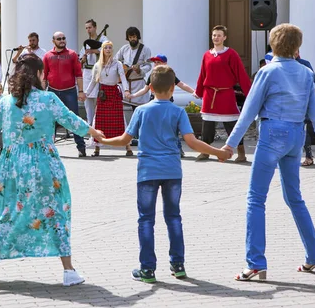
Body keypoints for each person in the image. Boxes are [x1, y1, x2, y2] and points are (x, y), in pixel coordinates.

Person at [0, 54, 105, 287]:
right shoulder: (48, 99)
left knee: (3, 212)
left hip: (11, 167)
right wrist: (93, 132)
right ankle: (68, 271)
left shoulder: (6, 102)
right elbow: (70, 119)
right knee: (55, 212)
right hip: (44, 164)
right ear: (39, 74)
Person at [221, 24, 315, 281]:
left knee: (256, 199)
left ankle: (255, 263)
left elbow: (249, 111)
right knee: (295, 198)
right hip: (296, 135)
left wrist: (230, 144)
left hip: (272, 133)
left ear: (272, 44)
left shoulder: (267, 72)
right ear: (297, 46)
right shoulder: (306, 73)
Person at [98, 65, 230, 283]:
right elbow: (192, 142)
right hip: (172, 171)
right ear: (172, 89)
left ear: (150, 87)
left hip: (147, 172)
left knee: (146, 220)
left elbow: (124, 140)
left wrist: (103, 140)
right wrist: (218, 153)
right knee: (173, 218)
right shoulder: (177, 111)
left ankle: (147, 269)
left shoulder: (141, 111)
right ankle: (178, 265)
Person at [195, 25, 251, 162]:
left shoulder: (231, 54)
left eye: (219, 35)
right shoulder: (207, 55)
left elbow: (241, 74)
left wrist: (249, 92)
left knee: (231, 123)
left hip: (225, 94)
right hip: (210, 94)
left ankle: (241, 152)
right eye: (214, 35)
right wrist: (199, 91)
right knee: (207, 125)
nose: (216, 38)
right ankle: (205, 151)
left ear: (224, 37)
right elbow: (203, 74)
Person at [127, 54, 199, 157]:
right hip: (154, 104)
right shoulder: (153, 75)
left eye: (158, 62)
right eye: (155, 63)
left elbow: (181, 84)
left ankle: (178, 148)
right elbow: (145, 89)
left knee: (171, 127)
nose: (156, 64)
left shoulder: (169, 75)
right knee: (155, 127)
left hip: (167, 105)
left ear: (165, 64)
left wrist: (194, 91)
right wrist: (133, 95)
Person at [42, 31, 88, 157]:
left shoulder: (72, 54)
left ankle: (81, 147)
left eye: (63, 38)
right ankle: (49, 148)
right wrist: (41, 93)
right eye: (59, 39)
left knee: (74, 119)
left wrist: (81, 91)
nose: (62, 40)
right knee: (51, 121)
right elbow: (44, 76)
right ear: (53, 41)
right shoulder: (47, 56)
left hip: (69, 92)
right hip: (52, 92)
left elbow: (79, 74)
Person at [85, 41, 132, 156]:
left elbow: (123, 78)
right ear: (102, 50)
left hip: (114, 93)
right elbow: (93, 81)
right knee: (100, 120)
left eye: (110, 47)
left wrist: (126, 90)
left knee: (119, 119)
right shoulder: (97, 65)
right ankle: (97, 147)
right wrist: (85, 94)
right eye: (106, 48)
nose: (108, 50)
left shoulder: (118, 64)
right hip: (103, 94)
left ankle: (128, 146)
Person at [80, 19, 109, 125]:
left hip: (99, 71)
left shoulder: (103, 38)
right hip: (87, 72)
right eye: (86, 28)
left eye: (90, 27)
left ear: (95, 27)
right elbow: (82, 55)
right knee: (87, 100)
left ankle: (99, 123)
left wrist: (94, 50)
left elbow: (107, 50)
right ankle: (90, 123)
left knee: (99, 98)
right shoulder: (86, 42)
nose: (88, 30)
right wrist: (83, 58)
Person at [115, 27, 153, 107]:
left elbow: (148, 65)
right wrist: (122, 67)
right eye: (130, 37)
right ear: (128, 38)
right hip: (125, 84)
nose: (132, 39)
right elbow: (115, 60)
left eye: (134, 37)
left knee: (138, 108)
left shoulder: (145, 49)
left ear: (138, 37)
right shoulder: (124, 48)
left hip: (138, 84)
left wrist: (140, 70)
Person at [294, 52, 315, 166]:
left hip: (303, 102)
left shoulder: (305, 64)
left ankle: (309, 156)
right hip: (290, 104)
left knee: (304, 128)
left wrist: (311, 91)